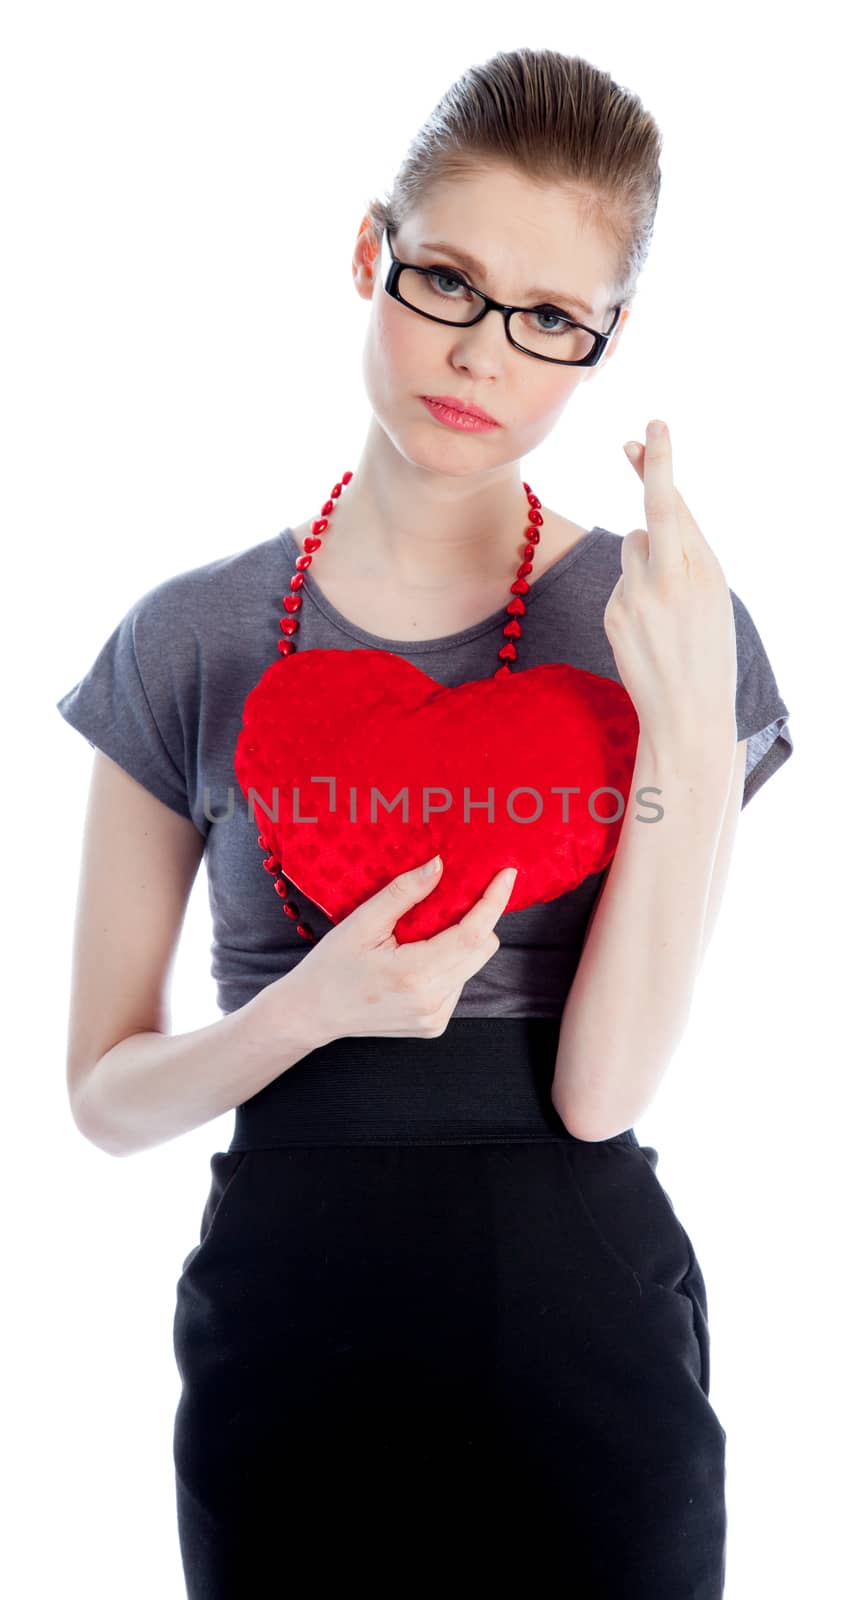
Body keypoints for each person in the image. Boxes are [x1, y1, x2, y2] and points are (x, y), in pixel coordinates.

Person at [55, 47, 793, 1598]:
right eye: (446, 281)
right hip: (286, 1339)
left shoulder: (661, 620)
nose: (482, 354)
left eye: (547, 319)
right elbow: (107, 1099)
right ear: (367, 252)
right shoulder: (190, 639)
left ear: (601, 346)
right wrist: (313, 1010)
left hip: (587, 1332)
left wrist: (682, 729)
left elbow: (601, 1092)